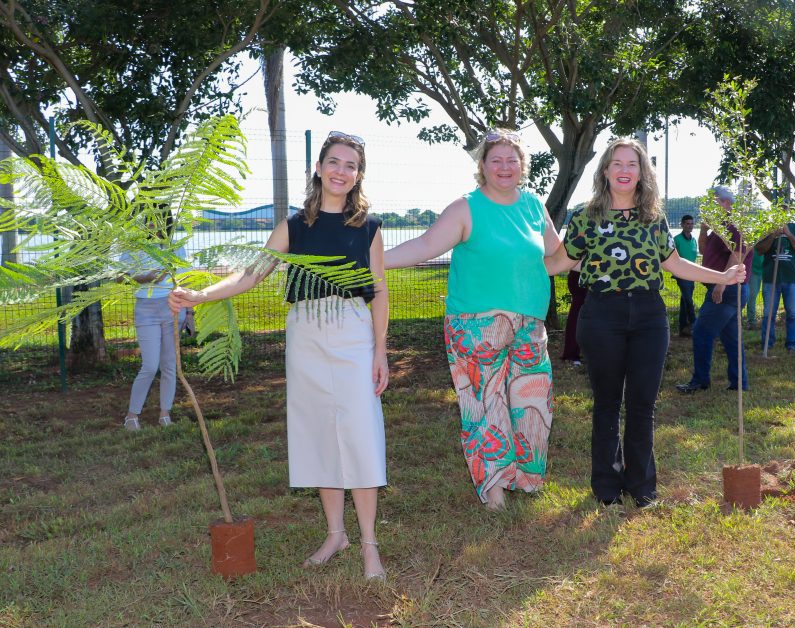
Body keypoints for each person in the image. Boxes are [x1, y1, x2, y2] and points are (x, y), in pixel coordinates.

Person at [168, 131, 389, 580]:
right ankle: (335, 535)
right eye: (333, 161)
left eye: (350, 165)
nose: (341, 171)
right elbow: (251, 276)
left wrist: (380, 350)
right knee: (319, 433)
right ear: (319, 168)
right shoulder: (294, 225)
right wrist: (200, 295)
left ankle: (369, 545)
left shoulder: (368, 227)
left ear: (358, 175)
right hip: (305, 334)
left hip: (352, 332)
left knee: (361, 435)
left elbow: (380, 292)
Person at [545, 139, 746, 508]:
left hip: (650, 318)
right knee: (606, 402)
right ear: (605, 170)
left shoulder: (653, 217)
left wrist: (722, 277)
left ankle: (642, 486)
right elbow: (556, 263)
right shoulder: (585, 217)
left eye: (632, 164)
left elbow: (674, 264)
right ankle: (606, 486)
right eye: (617, 163)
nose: (624, 170)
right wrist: (506, 263)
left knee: (642, 404)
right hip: (601, 315)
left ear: (641, 173)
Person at [385, 129, 561, 511]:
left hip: (529, 324)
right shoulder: (467, 207)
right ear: (482, 166)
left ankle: (527, 480)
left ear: (522, 166)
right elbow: (425, 245)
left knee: (534, 401)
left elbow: (558, 258)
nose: (504, 167)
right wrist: (374, 260)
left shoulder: (533, 206)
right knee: (484, 404)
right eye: (495, 160)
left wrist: (598, 249)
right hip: (475, 327)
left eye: (511, 160)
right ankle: (494, 488)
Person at [676, 185, 754, 394]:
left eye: (715, 201)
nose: (709, 205)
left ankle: (700, 380)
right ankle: (739, 382)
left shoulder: (736, 225)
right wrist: (703, 229)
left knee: (701, 331)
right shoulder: (719, 227)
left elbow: (738, 255)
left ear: (727, 203)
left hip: (728, 288)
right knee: (731, 338)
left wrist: (720, 284)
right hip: (727, 288)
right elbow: (703, 249)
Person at [121, 220, 189, 431]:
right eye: (149, 220)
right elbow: (120, 277)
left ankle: (165, 414)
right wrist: (144, 278)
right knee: (150, 366)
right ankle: (132, 416)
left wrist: (191, 313)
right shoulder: (133, 247)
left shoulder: (175, 246)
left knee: (169, 365)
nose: (153, 225)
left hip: (173, 308)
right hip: (146, 310)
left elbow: (185, 279)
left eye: (159, 220)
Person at [756, 221, 795, 352]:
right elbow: (760, 249)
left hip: (791, 279)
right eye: (780, 207)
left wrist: (789, 234)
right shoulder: (767, 226)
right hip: (770, 279)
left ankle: (791, 344)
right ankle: (767, 342)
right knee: (768, 314)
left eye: (786, 207)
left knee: (793, 313)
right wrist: (773, 235)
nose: (783, 210)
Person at [673, 214, 699, 336]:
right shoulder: (676, 239)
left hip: (692, 274)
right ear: (682, 225)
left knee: (684, 300)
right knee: (689, 300)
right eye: (687, 224)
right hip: (681, 274)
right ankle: (694, 324)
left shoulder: (694, 240)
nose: (690, 226)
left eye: (691, 224)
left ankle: (683, 328)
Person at [746, 250, 763, 329]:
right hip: (752, 270)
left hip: (764, 269)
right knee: (751, 296)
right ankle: (751, 322)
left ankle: (767, 319)